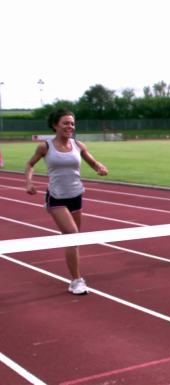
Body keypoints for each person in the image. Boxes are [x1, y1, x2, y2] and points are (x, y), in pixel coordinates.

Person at [25, 108, 108, 295]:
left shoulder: (78, 145)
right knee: (71, 234)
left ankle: (75, 275)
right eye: (65, 123)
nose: (70, 126)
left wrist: (99, 167)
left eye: (72, 123)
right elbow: (30, 164)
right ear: (55, 125)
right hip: (56, 197)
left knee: (75, 239)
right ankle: (76, 281)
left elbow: (92, 162)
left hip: (76, 195)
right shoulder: (45, 147)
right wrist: (29, 182)